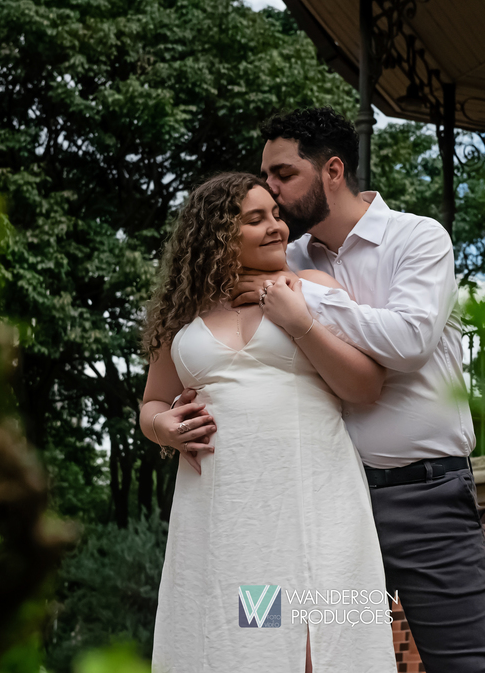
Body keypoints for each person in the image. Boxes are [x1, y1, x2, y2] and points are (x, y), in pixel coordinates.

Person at [242, 107, 485, 672]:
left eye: (284, 174)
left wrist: (308, 300)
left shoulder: (418, 238)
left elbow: (408, 341)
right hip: (327, 502)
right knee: (315, 661)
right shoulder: (285, 259)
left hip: (426, 502)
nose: (271, 189)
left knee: (465, 668)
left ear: (333, 171)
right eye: (266, 176)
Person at [138, 172, 397, 673]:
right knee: (247, 641)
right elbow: (152, 403)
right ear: (217, 234)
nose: (277, 227)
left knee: (323, 640)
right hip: (228, 511)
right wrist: (164, 428)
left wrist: (296, 318)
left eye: (276, 215)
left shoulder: (312, 287)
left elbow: (366, 387)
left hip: (313, 499)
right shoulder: (181, 317)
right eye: (255, 219)